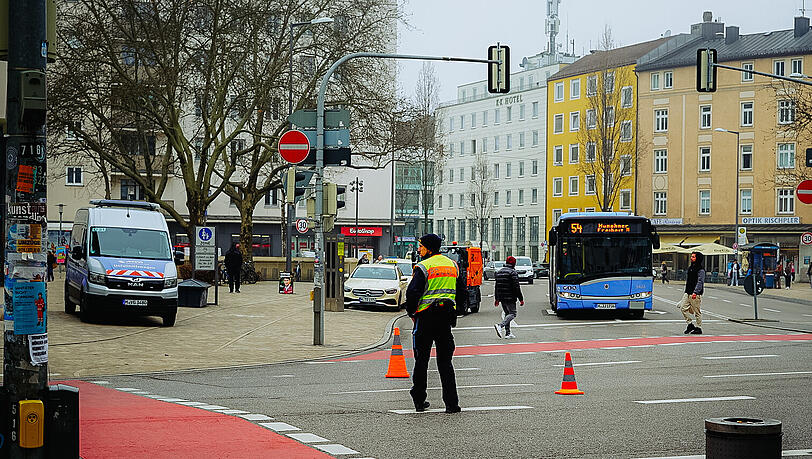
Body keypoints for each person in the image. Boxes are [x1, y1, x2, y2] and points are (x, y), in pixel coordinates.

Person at [405, 233, 463, 414]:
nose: (419, 249)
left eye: (421, 246)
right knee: (445, 363)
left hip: (426, 318)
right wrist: (456, 311)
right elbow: (461, 292)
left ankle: (419, 400)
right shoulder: (452, 265)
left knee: (421, 361)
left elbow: (412, 293)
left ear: (429, 248)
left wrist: (412, 313)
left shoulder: (423, 266)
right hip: (445, 318)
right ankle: (452, 404)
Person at [494, 256, 524, 339]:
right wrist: (521, 299)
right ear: (514, 263)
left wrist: (497, 299)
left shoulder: (499, 272)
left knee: (507, 313)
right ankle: (500, 325)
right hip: (510, 297)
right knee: (513, 313)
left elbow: (496, 287)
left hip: (502, 297)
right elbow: (516, 287)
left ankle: (508, 333)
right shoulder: (512, 272)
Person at [679, 251, 705, 335]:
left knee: (697, 311)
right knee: (682, 307)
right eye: (691, 256)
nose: (691, 258)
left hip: (695, 293)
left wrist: (696, 292)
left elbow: (700, 281)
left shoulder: (700, 269)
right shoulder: (690, 267)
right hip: (688, 292)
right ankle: (690, 324)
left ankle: (699, 327)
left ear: (697, 258)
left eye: (693, 257)